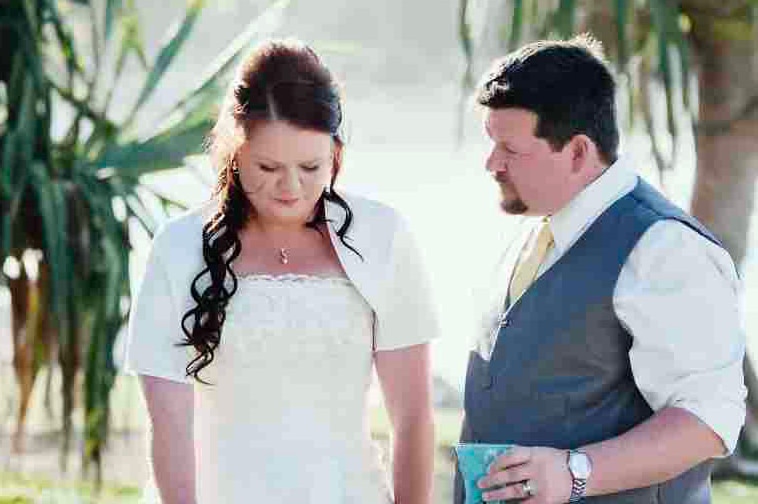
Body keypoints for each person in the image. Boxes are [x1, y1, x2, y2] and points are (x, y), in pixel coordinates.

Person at [125, 39, 437, 504]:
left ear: (335, 151)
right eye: (267, 166)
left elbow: (412, 417)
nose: (291, 188)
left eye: (311, 166)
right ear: (234, 152)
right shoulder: (178, 247)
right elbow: (168, 427)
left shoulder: (383, 236)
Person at [456, 35, 746, 504]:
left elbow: (709, 419)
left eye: (510, 149)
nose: (492, 164)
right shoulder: (539, 228)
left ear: (577, 152)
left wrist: (575, 472)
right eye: (491, 144)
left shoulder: (664, 247)